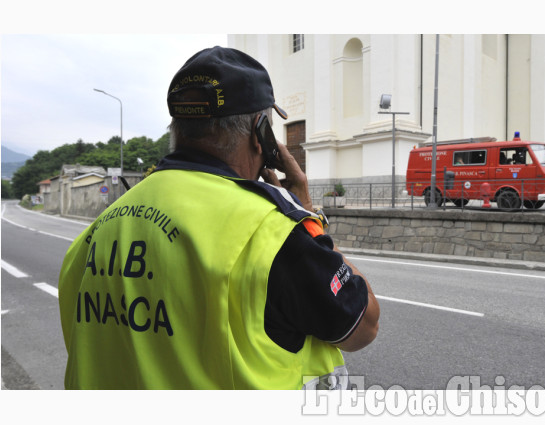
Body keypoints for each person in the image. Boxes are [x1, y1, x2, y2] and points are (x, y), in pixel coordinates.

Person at [58, 46, 379, 390]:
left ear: (179, 129)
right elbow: (363, 325)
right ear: (261, 134)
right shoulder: (272, 232)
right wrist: (305, 214)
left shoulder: (93, 235)